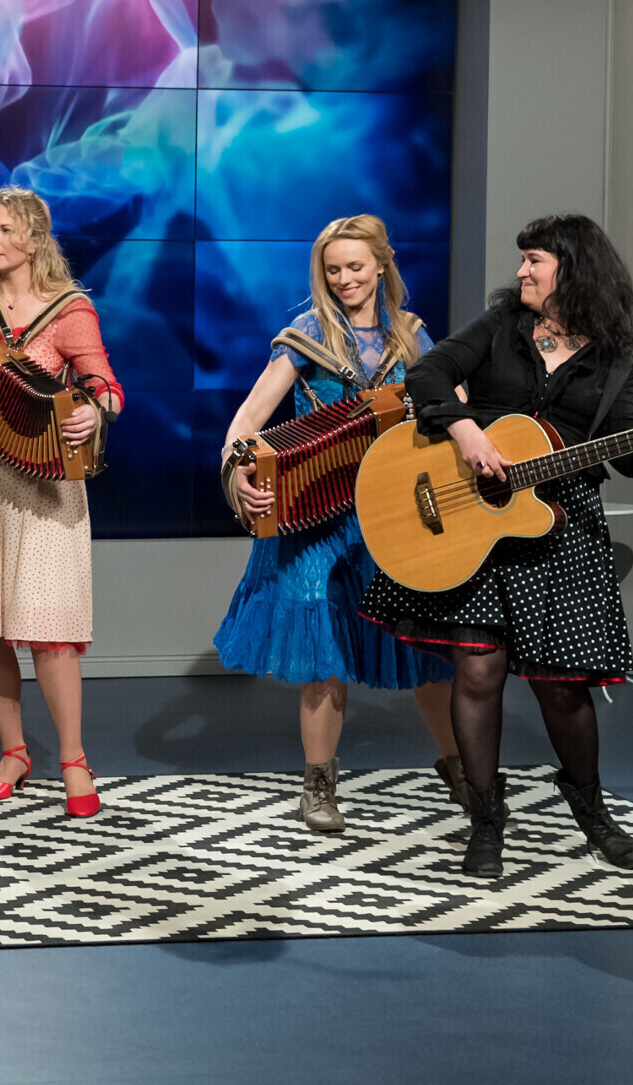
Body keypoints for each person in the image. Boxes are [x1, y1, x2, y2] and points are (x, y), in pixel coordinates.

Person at [359, 213, 633, 878]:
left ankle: (592, 813)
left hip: (561, 525)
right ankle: (487, 822)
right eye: (523, 259)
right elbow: (429, 374)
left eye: (534, 260)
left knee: (563, 687)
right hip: (476, 514)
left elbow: (629, 451)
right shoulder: (501, 327)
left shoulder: (619, 356)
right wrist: (466, 432)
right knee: (477, 671)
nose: (521, 271)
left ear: (572, 269)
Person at [214, 215, 461, 833]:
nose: (345, 279)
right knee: (322, 651)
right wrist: (237, 467)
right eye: (333, 270)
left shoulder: (412, 336)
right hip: (317, 518)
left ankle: (463, 770)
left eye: (355, 266)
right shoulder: (306, 336)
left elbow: (452, 411)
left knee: (427, 647)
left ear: (382, 265)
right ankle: (318, 786)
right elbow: (249, 416)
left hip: (395, 513)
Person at [0, 187, 123, 818]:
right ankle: (13, 753)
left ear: (35, 240)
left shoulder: (70, 309)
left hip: (45, 486)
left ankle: (74, 760)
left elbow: (105, 386)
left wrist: (92, 411)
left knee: (50, 630)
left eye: (5, 230)